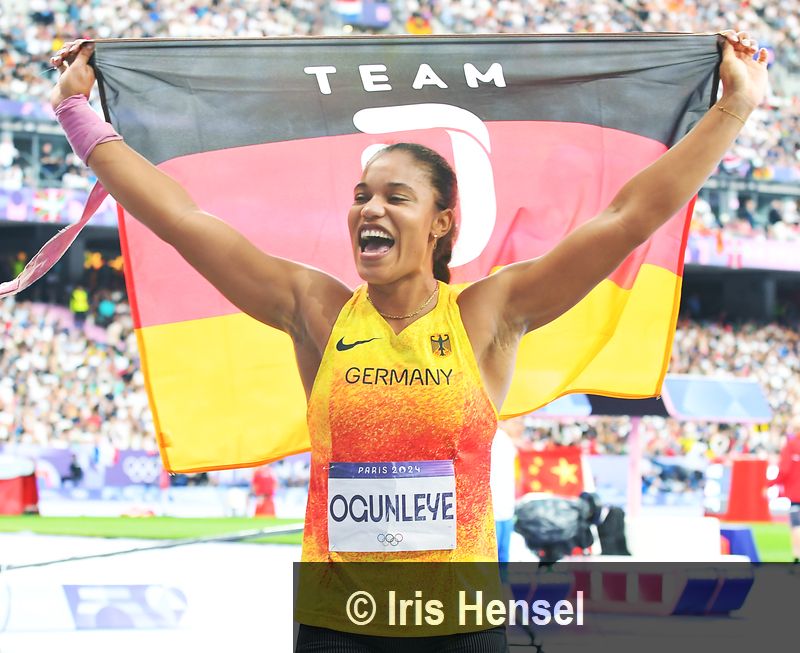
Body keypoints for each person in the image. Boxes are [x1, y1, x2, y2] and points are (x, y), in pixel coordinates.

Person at [49, 30, 769, 651]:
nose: (371, 207)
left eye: (397, 196)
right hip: (339, 624)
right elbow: (180, 219)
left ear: (441, 222)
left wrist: (735, 105)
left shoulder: (489, 314)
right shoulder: (316, 310)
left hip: (459, 625)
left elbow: (627, 218)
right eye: (362, 195)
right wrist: (76, 112)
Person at [491, 418, 522, 563]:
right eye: (516, 422)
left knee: (502, 556)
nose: (520, 427)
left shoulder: (508, 441)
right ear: (503, 421)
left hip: (505, 507)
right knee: (497, 556)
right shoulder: (495, 438)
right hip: (495, 509)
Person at [775, 430, 800, 563]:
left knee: (796, 525)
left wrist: (769, 484)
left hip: (796, 495)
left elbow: (784, 470)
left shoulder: (792, 445)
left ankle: (797, 556)